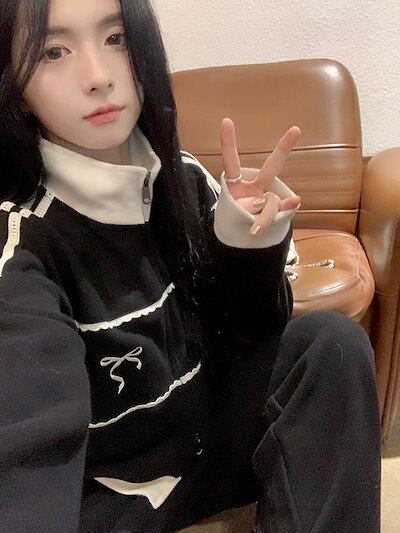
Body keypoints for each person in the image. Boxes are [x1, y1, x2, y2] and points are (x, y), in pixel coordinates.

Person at [0, 0, 381, 531]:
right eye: (53, 52)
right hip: (114, 493)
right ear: (14, 85)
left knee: (330, 344)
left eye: (116, 39)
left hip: (211, 444)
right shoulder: (24, 246)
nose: (97, 77)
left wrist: (245, 245)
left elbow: (253, 332)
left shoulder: (183, 179)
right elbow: (29, 442)